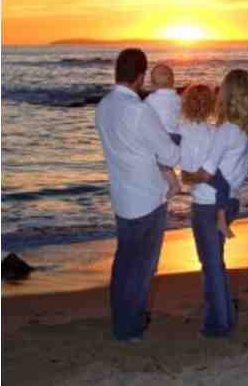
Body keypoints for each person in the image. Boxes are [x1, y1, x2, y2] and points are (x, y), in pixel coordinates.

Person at [95, 48, 181, 341]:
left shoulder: (103, 106)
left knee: (124, 264)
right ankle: (130, 328)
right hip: (147, 200)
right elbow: (169, 153)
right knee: (143, 268)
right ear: (141, 76)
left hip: (121, 198)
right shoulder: (140, 111)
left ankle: (122, 321)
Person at [182, 69, 248, 338]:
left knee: (211, 265)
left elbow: (205, 173)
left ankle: (218, 324)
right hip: (230, 202)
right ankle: (224, 316)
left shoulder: (226, 128)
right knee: (215, 262)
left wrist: (185, 176)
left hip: (208, 205)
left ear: (228, 94)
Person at [178, 84, 234, 239]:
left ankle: (221, 221)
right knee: (224, 187)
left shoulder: (181, 129)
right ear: (211, 106)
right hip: (206, 178)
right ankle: (221, 221)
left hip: (202, 191)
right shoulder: (214, 131)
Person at [144, 63, 183, 199]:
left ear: (152, 84)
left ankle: (174, 184)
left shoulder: (150, 100)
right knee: (164, 163)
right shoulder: (178, 98)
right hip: (178, 137)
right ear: (173, 82)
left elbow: (145, 118)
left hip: (163, 136)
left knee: (159, 161)